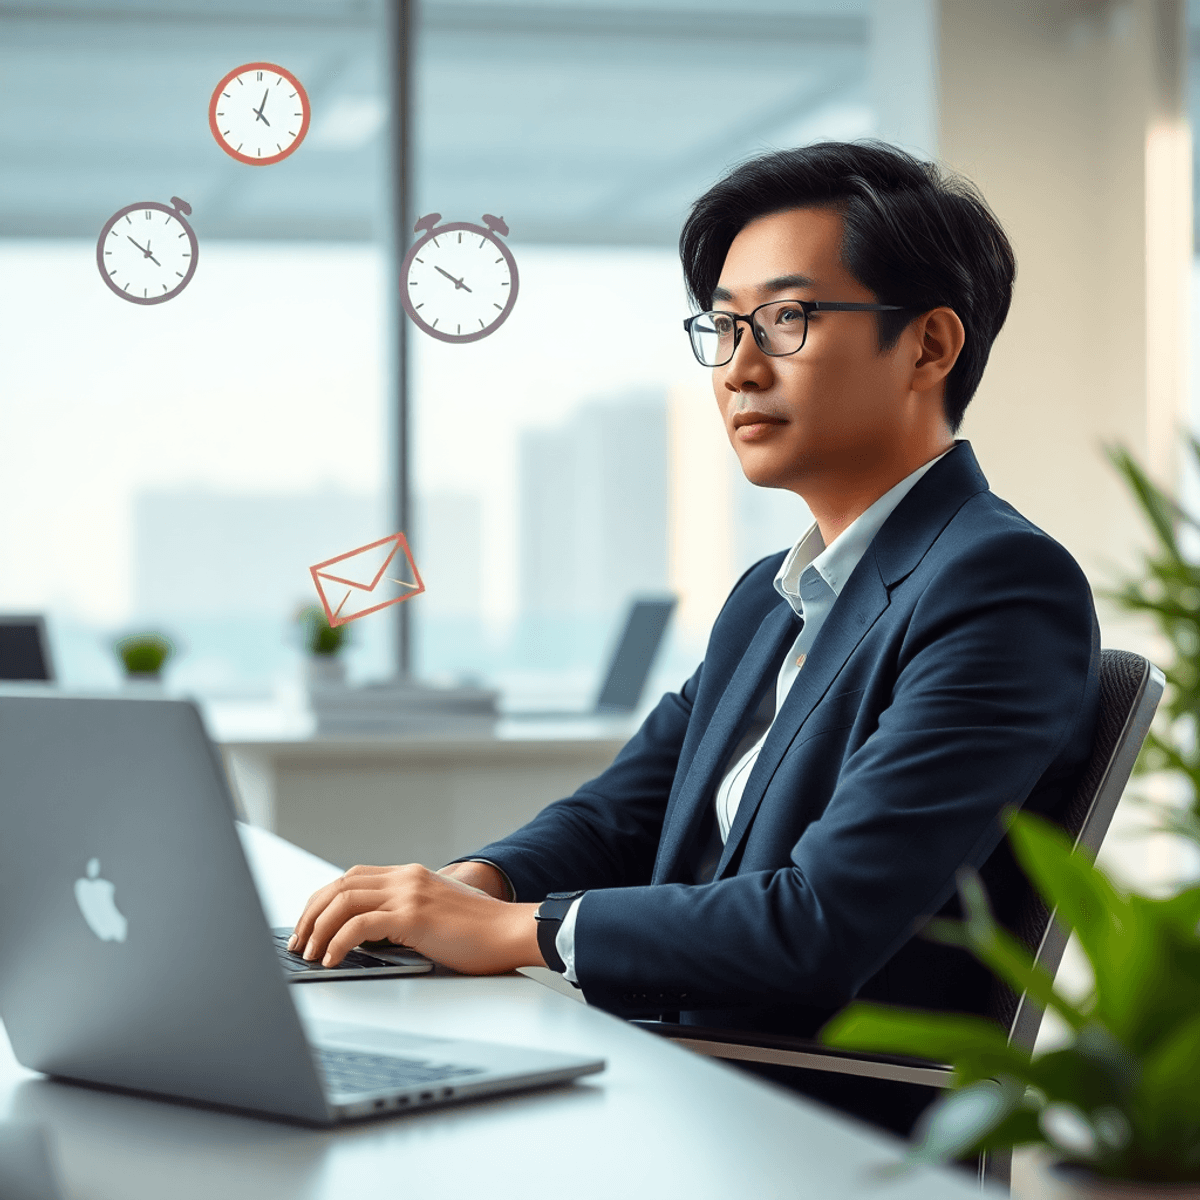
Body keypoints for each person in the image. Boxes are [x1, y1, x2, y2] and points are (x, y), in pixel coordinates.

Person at [289, 141, 1100, 1132]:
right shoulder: (772, 596)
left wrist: (512, 929)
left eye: (788, 319)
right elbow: (618, 817)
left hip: (795, 1122)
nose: (740, 367)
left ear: (929, 347)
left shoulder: (999, 584)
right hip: (675, 1078)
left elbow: (819, 921)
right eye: (723, 326)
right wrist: (472, 884)